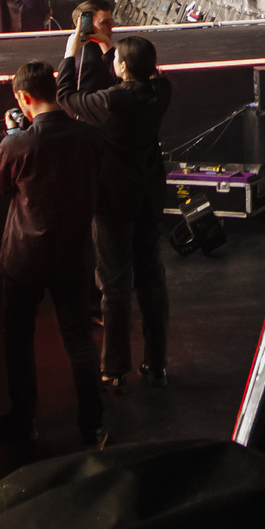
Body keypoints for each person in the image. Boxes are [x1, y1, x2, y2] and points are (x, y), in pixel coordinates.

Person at [0, 61, 105, 452]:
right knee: (79, 338)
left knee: (17, 338)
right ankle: (93, 426)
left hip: (24, 255)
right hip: (74, 252)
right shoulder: (89, 136)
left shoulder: (17, 144)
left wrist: (11, 135)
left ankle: (26, 421)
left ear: (23, 98)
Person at [58, 21, 172, 389]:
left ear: (123, 68)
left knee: (115, 284)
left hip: (113, 201)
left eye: (118, 61)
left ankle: (114, 367)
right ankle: (156, 362)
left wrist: (71, 52)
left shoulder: (111, 102)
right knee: (152, 278)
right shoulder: (162, 89)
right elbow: (131, 78)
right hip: (148, 196)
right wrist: (110, 48)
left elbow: (67, 98)